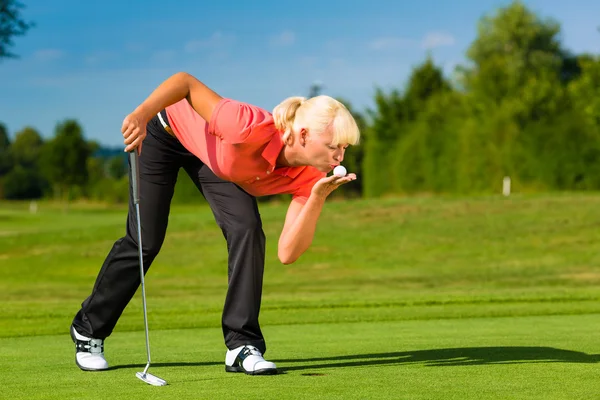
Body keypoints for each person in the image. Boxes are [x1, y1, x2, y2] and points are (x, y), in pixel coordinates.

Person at [70, 71, 360, 375]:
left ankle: (241, 345)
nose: (339, 157)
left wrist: (317, 197)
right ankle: (88, 329)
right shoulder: (245, 125)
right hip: (164, 133)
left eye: (344, 148)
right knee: (145, 240)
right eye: (333, 146)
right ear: (303, 136)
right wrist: (142, 115)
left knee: (247, 229)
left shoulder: (311, 176)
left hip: (213, 158)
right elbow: (184, 82)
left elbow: (288, 254)